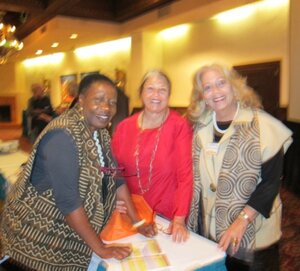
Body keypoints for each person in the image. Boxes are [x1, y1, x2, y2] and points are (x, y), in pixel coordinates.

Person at [0, 74, 155, 270]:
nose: (106, 108)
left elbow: (116, 176)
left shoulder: (100, 133)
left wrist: (137, 222)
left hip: (65, 232)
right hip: (37, 240)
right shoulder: (63, 135)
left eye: (112, 102)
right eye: (98, 100)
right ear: (81, 100)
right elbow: (68, 201)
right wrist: (101, 249)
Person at [186, 63, 293, 271]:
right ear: (202, 96)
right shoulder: (200, 127)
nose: (215, 92)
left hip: (254, 233)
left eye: (221, 83)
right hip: (211, 231)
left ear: (234, 86)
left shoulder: (263, 126)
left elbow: (270, 184)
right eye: (207, 88)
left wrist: (242, 220)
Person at [112, 69, 193, 243]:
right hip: (131, 214)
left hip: (165, 217)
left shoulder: (179, 126)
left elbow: (185, 177)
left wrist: (179, 219)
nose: (156, 94)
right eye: (150, 89)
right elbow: (112, 171)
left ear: (169, 95)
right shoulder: (124, 127)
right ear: (141, 93)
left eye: (162, 90)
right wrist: (111, 198)